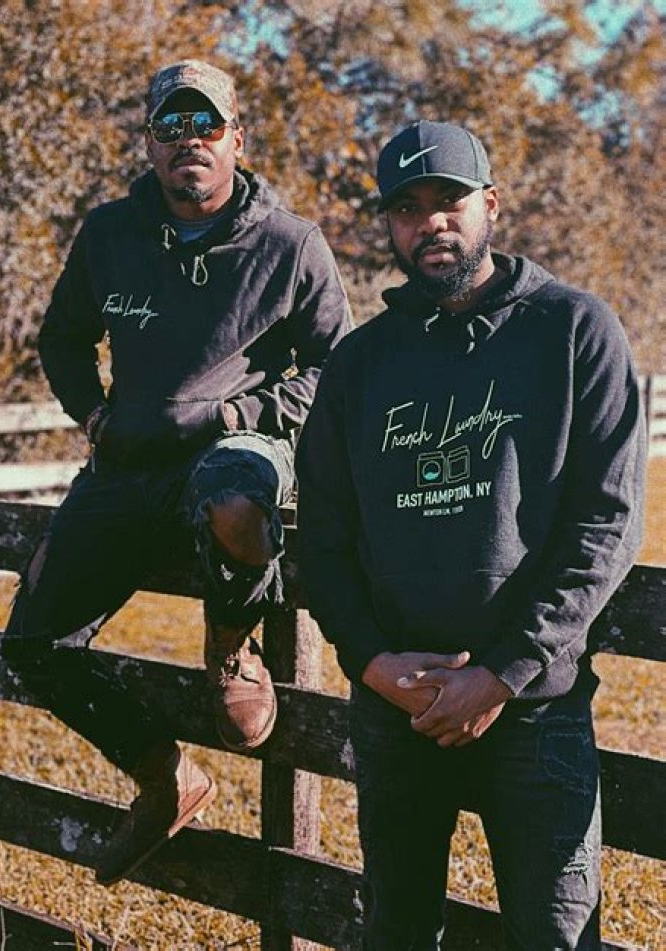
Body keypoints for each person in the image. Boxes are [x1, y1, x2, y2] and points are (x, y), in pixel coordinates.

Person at [295, 119, 646, 950]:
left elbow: (607, 522)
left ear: (491, 203)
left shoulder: (574, 331)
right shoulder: (360, 364)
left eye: (448, 200)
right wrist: (371, 662)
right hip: (398, 709)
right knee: (397, 929)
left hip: (533, 709)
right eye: (407, 208)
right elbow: (322, 537)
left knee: (555, 935)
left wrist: (502, 672)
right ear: (390, 225)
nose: (431, 223)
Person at [1, 59, 351, 887]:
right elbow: (62, 339)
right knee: (33, 644)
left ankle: (231, 644)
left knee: (234, 499)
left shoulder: (290, 243)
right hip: (128, 460)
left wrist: (238, 414)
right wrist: (95, 417)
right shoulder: (109, 234)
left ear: (237, 139)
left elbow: (334, 366)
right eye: (171, 125)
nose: (189, 140)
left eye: (206, 124)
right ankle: (165, 775)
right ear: (150, 143)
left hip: (238, 443)